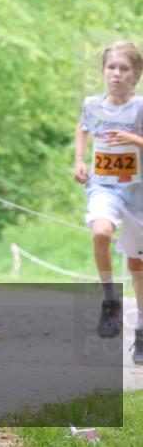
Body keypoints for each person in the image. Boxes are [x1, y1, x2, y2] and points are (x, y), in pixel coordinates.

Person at [74, 40, 143, 354]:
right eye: (111, 68)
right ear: (103, 72)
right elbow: (83, 127)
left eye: (124, 69)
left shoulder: (140, 107)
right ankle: (110, 299)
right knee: (100, 231)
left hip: (137, 192)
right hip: (103, 186)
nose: (117, 74)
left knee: (136, 263)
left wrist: (131, 138)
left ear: (136, 75)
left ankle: (141, 330)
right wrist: (79, 159)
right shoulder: (92, 104)